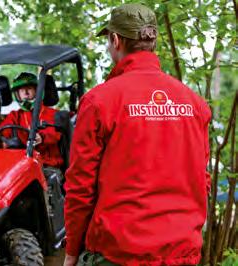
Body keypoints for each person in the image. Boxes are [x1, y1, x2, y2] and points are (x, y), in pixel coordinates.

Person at [63, 3, 211, 266]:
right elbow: (202, 180)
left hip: (117, 254)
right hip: (182, 253)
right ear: (151, 41)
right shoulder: (195, 104)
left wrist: (72, 251)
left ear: (115, 39)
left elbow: (80, 187)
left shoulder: (99, 102)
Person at [0, 72, 63, 168]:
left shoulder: (53, 113)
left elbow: (55, 134)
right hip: (22, 164)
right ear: (17, 94)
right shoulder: (15, 115)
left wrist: (42, 137)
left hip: (48, 164)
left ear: (37, 91)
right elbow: (4, 130)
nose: (25, 92)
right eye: (21, 90)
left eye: (29, 88)